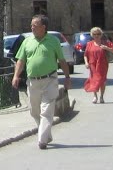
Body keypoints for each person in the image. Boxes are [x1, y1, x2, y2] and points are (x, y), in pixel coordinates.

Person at [11, 14, 71, 150]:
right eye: (31, 25)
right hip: (32, 81)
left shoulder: (53, 41)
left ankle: (42, 140)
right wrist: (16, 76)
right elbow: (21, 60)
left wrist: (67, 77)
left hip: (50, 79)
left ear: (43, 27)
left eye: (35, 25)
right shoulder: (27, 41)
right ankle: (46, 134)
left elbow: (62, 61)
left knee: (47, 111)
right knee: (34, 111)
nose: (32, 27)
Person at [83, 27, 113, 103]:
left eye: (98, 34)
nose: (96, 35)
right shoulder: (89, 44)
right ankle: (95, 96)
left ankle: (101, 97)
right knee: (94, 80)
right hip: (92, 65)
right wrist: (86, 63)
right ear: (92, 35)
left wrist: (106, 48)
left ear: (101, 34)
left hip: (103, 65)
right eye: (94, 34)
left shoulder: (105, 42)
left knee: (102, 81)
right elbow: (85, 55)